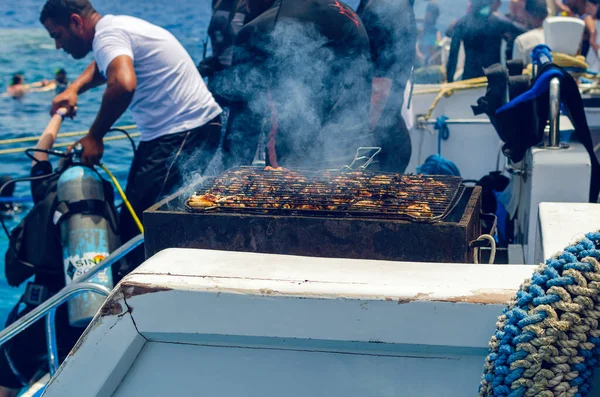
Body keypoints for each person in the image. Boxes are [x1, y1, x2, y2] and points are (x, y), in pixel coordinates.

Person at [39, 0, 222, 272]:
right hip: (180, 131)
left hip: (183, 131)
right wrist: (75, 88)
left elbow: (122, 83)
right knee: (136, 224)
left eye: (57, 35)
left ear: (76, 22)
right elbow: (106, 64)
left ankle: (143, 301)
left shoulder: (108, 35)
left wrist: (94, 137)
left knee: (139, 231)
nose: (57, 46)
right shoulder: (114, 28)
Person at [220, 0, 373, 170]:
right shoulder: (350, 16)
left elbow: (244, 123)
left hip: (293, 162)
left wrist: (230, 178)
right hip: (352, 154)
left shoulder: (261, 28)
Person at [0, 108, 84, 397]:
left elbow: (39, 152)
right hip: (87, 308)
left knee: (6, 376)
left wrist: (59, 113)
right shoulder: (103, 201)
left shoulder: (46, 189)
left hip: (45, 308)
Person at [358, 0, 417, 173]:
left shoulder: (386, 7)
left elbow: (381, 85)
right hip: (386, 137)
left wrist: (361, 142)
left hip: (378, 144)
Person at [447, 0, 527, 81]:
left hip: (470, 79)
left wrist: (449, 82)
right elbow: (524, 32)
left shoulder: (461, 24)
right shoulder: (498, 22)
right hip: (494, 78)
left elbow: (453, 56)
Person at [416, 1, 442, 66]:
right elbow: (416, 44)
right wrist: (420, 55)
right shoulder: (421, 30)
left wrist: (436, 46)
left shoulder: (436, 31)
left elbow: (438, 44)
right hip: (422, 59)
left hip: (431, 59)